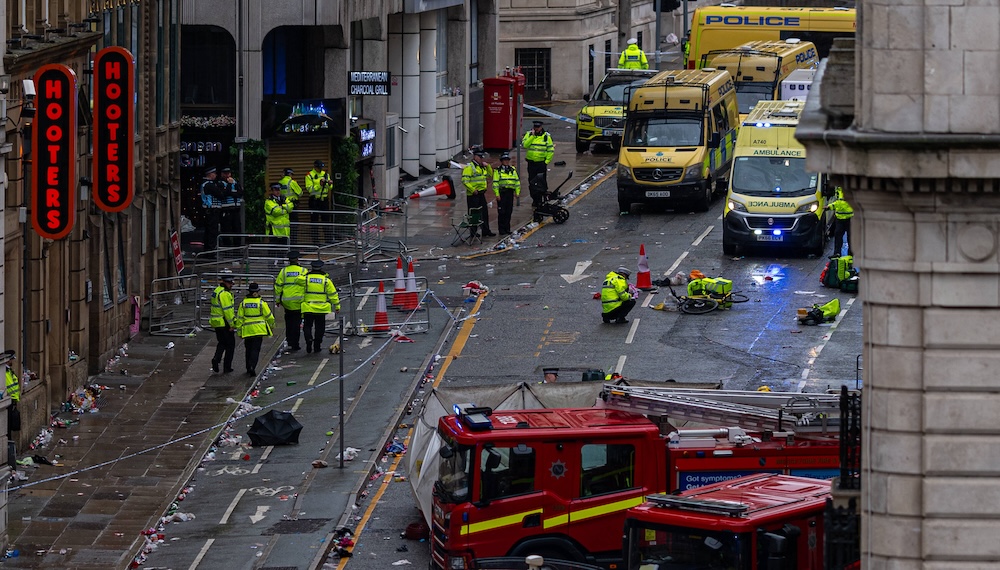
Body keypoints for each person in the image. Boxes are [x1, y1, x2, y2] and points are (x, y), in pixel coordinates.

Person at [300, 259, 341, 354]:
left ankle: (309, 340)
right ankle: (317, 345)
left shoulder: (305, 279)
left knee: (307, 326)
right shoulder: (326, 280)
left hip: (308, 307)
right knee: (320, 328)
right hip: (321, 308)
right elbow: (333, 294)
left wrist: (306, 274)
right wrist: (337, 306)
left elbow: (297, 279)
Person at [235, 282, 275, 377]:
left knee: (248, 349)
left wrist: (239, 332)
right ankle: (253, 366)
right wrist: (272, 326)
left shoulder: (243, 304)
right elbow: (269, 317)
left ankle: (248, 367)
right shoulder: (261, 303)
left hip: (247, 331)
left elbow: (239, 319)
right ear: (257, 292)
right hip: (258, 330)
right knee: (255, 350)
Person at [275, 250, 307, 352]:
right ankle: (295, 344)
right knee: (297, 324)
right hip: (299, 302)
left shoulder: (283, 271)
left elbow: (278, 287)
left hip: (287, 302)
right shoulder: (303, 271)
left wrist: (278, 300)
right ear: (297, 259)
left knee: (289, 323)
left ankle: (289, 342)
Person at [461, 149, 495, 237]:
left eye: (482, 157)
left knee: (484, 213)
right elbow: (465, 181)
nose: (481, 159)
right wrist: (472, 190)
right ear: (475, 157)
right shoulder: (469, 167)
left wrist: (488, 167)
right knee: (474, 214)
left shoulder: (481, 167)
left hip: (481, 193)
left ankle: (486, 230)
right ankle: (473, 232)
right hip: (473, 195)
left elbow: (490, 175)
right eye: (480, 157)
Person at [522, 121, 554, 209]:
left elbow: (550, 150)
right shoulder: (529, 134)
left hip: (541, 164)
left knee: (541, 182)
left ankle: (541, 200)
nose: (536, 129)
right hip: (531, 163)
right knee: (532, 182)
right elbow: (525, 145)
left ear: (541, 127)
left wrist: (546, 162)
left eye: (538, 127)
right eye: (535, 127)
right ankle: (535, 200)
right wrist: (532, 136)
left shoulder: (546, 136)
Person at [210, 273, 237, 374]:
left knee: (222, 342)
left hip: (216, 322)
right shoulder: (225, 294)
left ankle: (216, 359)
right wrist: (232, 325)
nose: (231, 284)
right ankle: (227, 367)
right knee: (230, 345)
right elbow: (228, 311)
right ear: (224, 282)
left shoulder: (217, 291)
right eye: (230, 283)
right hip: (224, 322)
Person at [492, 152, 520, 235]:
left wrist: (517, 192)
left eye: (508, 160)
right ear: (502, 161)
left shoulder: (512, 170)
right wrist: (497, 194)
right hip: (502, 193)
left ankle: (507, 228)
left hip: (510, 193)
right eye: (505, 160)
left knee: (509, 211)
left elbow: (517, 182)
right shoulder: (498, 171)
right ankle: (501, 229)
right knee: (502, 212)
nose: (507, 162)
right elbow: (495, 183)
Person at [306, 160, 333, 243]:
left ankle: (328, 240)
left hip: (324, 200)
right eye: (319, 168)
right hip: (314, 200)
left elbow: (330, 188)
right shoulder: (309, 175)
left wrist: (330, 183)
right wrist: (319, 185)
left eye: (321, 167)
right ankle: (316, 241)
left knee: (326, 221)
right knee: (314, 222)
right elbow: (309, 189)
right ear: (315, 167)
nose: (320, 169)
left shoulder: (325, 174)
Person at [218, 167, 244, 246]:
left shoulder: (235, 182)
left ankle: (237, 248)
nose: (227, 175)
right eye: (225, 173)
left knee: (237, 230)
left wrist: (232, 192)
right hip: (226, 210)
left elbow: (240, 193)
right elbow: (225, 194)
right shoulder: (221, 183)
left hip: (236, 210)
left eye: (228, 173)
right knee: (226, 230)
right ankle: (227, 249)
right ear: (222, 174)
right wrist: (229, 185)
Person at [199, 166, 222, 252]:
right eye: (214, 173)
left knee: (209, 231)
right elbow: (220, 194)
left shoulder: (204, 183)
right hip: (212, 210)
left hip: (209, 210)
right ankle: (211, 250)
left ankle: (208, 249)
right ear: (210, 174)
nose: (216, 175)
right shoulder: (209, 184)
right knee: (212, 231)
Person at [827, 185, 854, 256]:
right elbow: (838, 202)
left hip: (849, 217)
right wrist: (830, 206)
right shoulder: (838, 189)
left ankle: (848, 254)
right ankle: (837, 253)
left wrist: (830, 206)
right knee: (838, 236)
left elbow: (842, 203)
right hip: (840, 218)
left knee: (849, 236)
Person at [278, 168, 303, 242]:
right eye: (291, 174)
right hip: (292, 206)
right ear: (289, 174)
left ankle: (285, 242)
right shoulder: (292, 182)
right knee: (294, 224)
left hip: (282, 206)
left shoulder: (280, 182)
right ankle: (293, 242)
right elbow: (300, 193)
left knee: (284, 225)